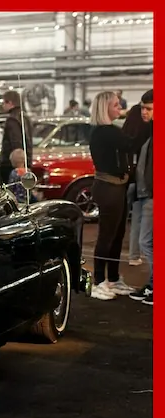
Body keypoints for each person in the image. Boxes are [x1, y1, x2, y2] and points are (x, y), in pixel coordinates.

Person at [87, 90, 149, 300]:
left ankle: (112, 279)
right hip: (108, 188)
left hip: (115, 187)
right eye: (115, 105)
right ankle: (97, 282)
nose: (119, 108)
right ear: (105, 108)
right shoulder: (105, 132)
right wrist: (152, 123)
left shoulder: (107, 130)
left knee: (116, 235)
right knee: (107, 236)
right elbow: (131, 143)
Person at [129, 89, 153, 305]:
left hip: (152, 196)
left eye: (148, 109)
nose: (143, 112)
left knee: (146, 242)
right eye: (142, 108)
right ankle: (152, 285)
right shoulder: (149, 131)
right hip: (146, 194)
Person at [121, 103, 153, 266]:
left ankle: (133, 255)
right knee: (142, 223)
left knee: (134, 221)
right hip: (142, 185)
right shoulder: (146, 135)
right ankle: (136, 256)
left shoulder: (126, 134)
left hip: (128, 182)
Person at [0, 90, 34, 183]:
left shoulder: (12, 120)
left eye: (4, 102)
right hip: (25, 162)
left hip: (12, 166)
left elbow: (16, 143)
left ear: (10, 103)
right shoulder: (25, 117)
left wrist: (16, 164)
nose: (3, 106)